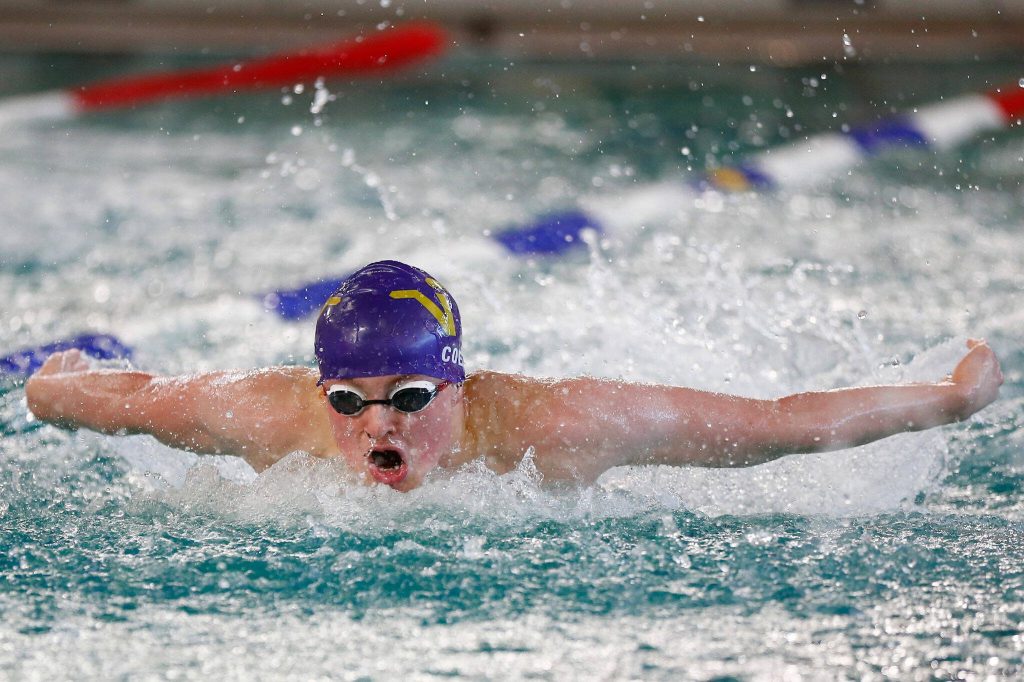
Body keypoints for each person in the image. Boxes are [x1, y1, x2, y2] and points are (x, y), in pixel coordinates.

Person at [25, 260, 1003, 492]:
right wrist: (50, 389)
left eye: (407, 400)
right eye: (348, 402)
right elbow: (118, 400)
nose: (378, 430)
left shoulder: (559, 427)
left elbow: (790, 422)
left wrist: (953, 397)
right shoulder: (262, 417)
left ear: (456, 387)